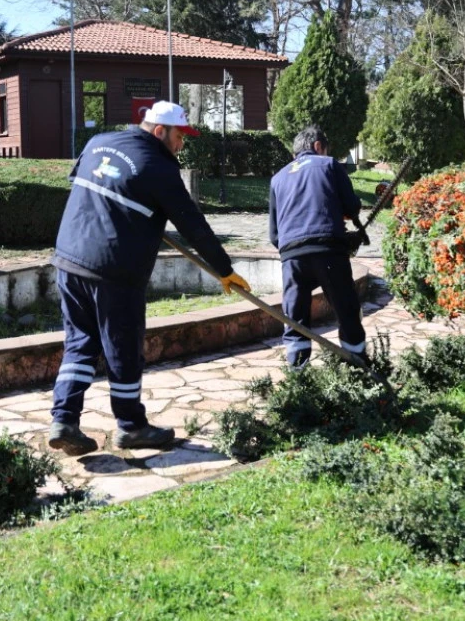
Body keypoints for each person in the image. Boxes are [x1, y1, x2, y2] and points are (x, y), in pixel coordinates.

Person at [48, 101, 251, 455]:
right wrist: (224, 269)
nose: (181, 145)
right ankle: (131, 427)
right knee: (123, 349)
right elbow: (194, 226)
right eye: (178, 136)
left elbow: (86, 184)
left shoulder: (98, 142)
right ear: (159, 131)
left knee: (80, 343)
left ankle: (64, 420)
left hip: (68, 260)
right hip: (114, 270)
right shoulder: (159, 166)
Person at [268, 124, 367, 368]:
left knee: (295, 320)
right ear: (318, 146)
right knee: (346, 310)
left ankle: (297, 373)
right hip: (328, 250)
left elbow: (274, 234)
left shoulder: (277, 178)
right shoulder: (329, 164)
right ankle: (357, 368)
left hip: (291, 256)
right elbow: (352, 207)